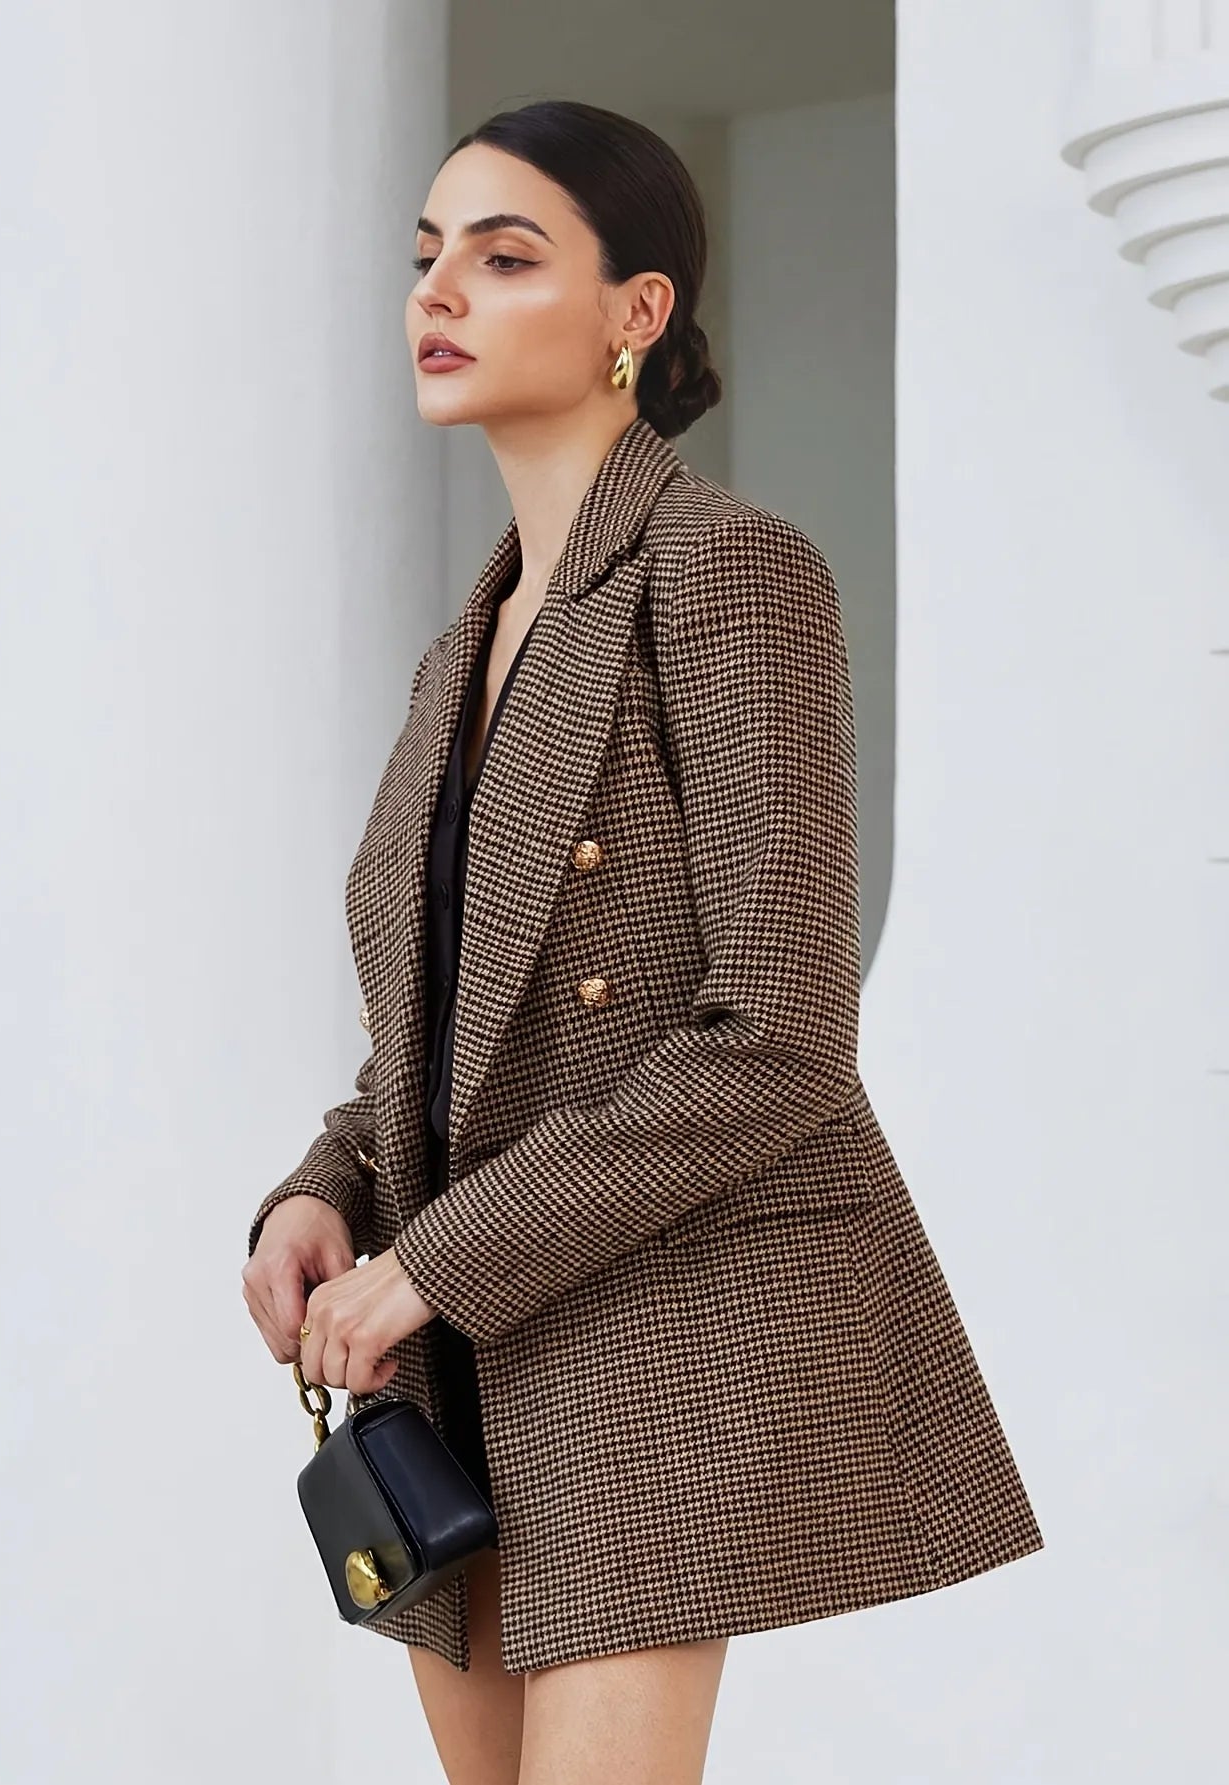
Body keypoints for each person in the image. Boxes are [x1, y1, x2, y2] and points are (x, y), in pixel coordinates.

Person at [241, 97, 1044, 1785]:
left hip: (647, 1317)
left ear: (638, 313)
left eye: (506, 254)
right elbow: (446, 1024)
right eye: (426, 256)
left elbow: (780, 1033)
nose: (440, 290)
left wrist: (433, 1264)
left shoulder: (731, 573)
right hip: (455, 1349)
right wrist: (323, 1189)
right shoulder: (464, 643)